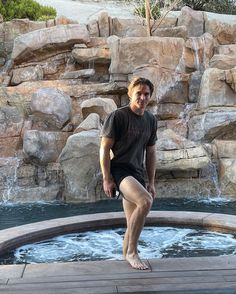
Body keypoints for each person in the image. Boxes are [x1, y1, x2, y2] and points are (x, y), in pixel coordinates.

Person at [99, 77, 157, 270]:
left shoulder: (150, 120)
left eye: (146, 94)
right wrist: (107, 178)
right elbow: (104, 148)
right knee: (145, 201)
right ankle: (133, 252)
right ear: (130, 93)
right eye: (138, 93)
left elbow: (151, 152)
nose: (142, 97)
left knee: (133, 219)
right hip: (119, 170)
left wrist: (151, 181)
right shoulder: (118, 116)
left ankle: (128, 253)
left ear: (150, 96)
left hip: (137, 172)